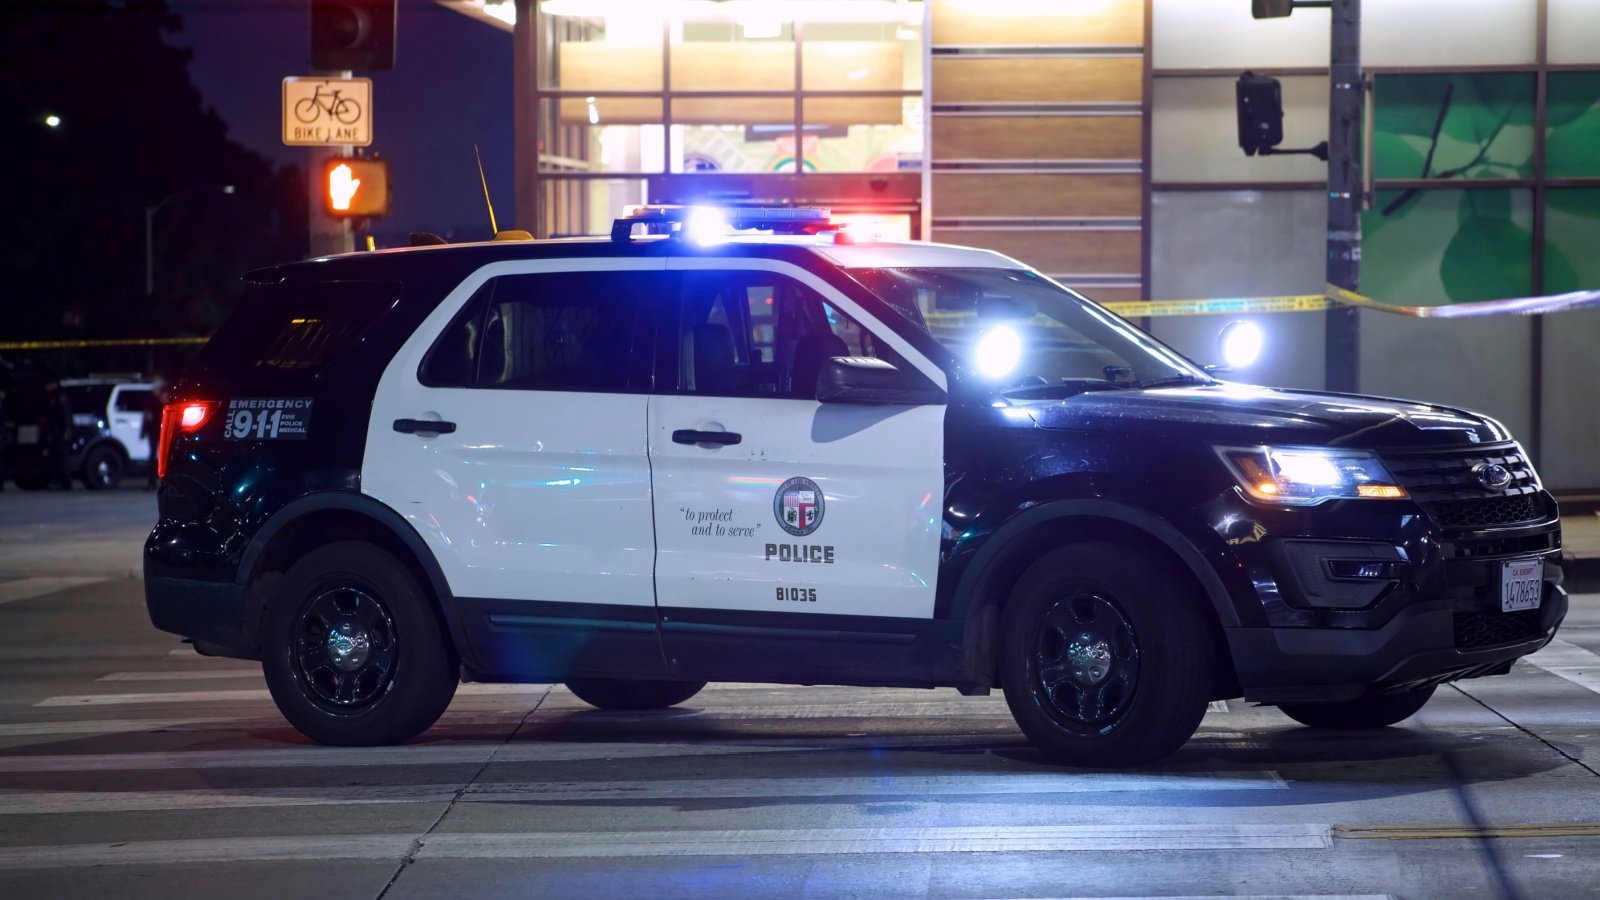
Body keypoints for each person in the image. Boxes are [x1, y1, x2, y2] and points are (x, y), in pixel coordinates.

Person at [41, 380, 73, 490]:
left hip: (60, 433)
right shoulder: (53, 398)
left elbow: (66, 416)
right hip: (56, 432)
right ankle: (60, 481)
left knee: (61, 458)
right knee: (56, 458)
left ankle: (65, 482)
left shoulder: (60, 398)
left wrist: (66, 431)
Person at [142, 379, 165, 490]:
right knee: (153, 456)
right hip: (154, 430)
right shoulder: (152, 401)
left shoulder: (159, 400)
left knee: (157, 455)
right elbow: (147, 416)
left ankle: (154, 481)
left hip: (157, 430)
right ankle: (152, 481)